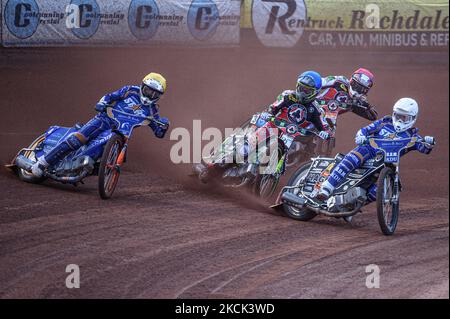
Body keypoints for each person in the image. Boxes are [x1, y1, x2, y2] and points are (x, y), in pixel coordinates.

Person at [31, 73, 170, 178]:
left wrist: (164, 126)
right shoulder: (129, 90)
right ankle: (43, 163)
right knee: (78, 139)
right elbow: (109, 96)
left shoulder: (153, 110)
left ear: (159, 96)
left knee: (117, 155)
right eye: (148, 90)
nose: (150, 95)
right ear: (142, 86)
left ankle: (89, 168)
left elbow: (158, 132)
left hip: (121, 133)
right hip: (105, 119)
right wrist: (102, 103)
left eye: (154, 93)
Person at [316, 97, 436, 202]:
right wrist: (361, 136)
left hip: (384, 164)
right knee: (351, 159)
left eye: (404, 118)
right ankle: (327, 187)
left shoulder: (413, 136)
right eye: (398, 116)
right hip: (368, 149)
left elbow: (424, 148)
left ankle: (352, 204)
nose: (399, 120)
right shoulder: (385, 122)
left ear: (412, 118)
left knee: (377, 192)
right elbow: (365, 130)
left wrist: (429, 143)